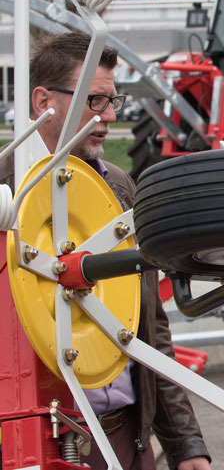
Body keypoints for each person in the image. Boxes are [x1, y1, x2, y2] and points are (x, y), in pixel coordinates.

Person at [0, 32, 211, 470]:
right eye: (95, 101)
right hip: (45, 445)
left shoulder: (118, 188)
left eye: (112, 101)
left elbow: (150, 326)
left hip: (127, 441)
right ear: (43, 102)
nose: (109, 115)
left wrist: (185, 444)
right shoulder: (7, 194)